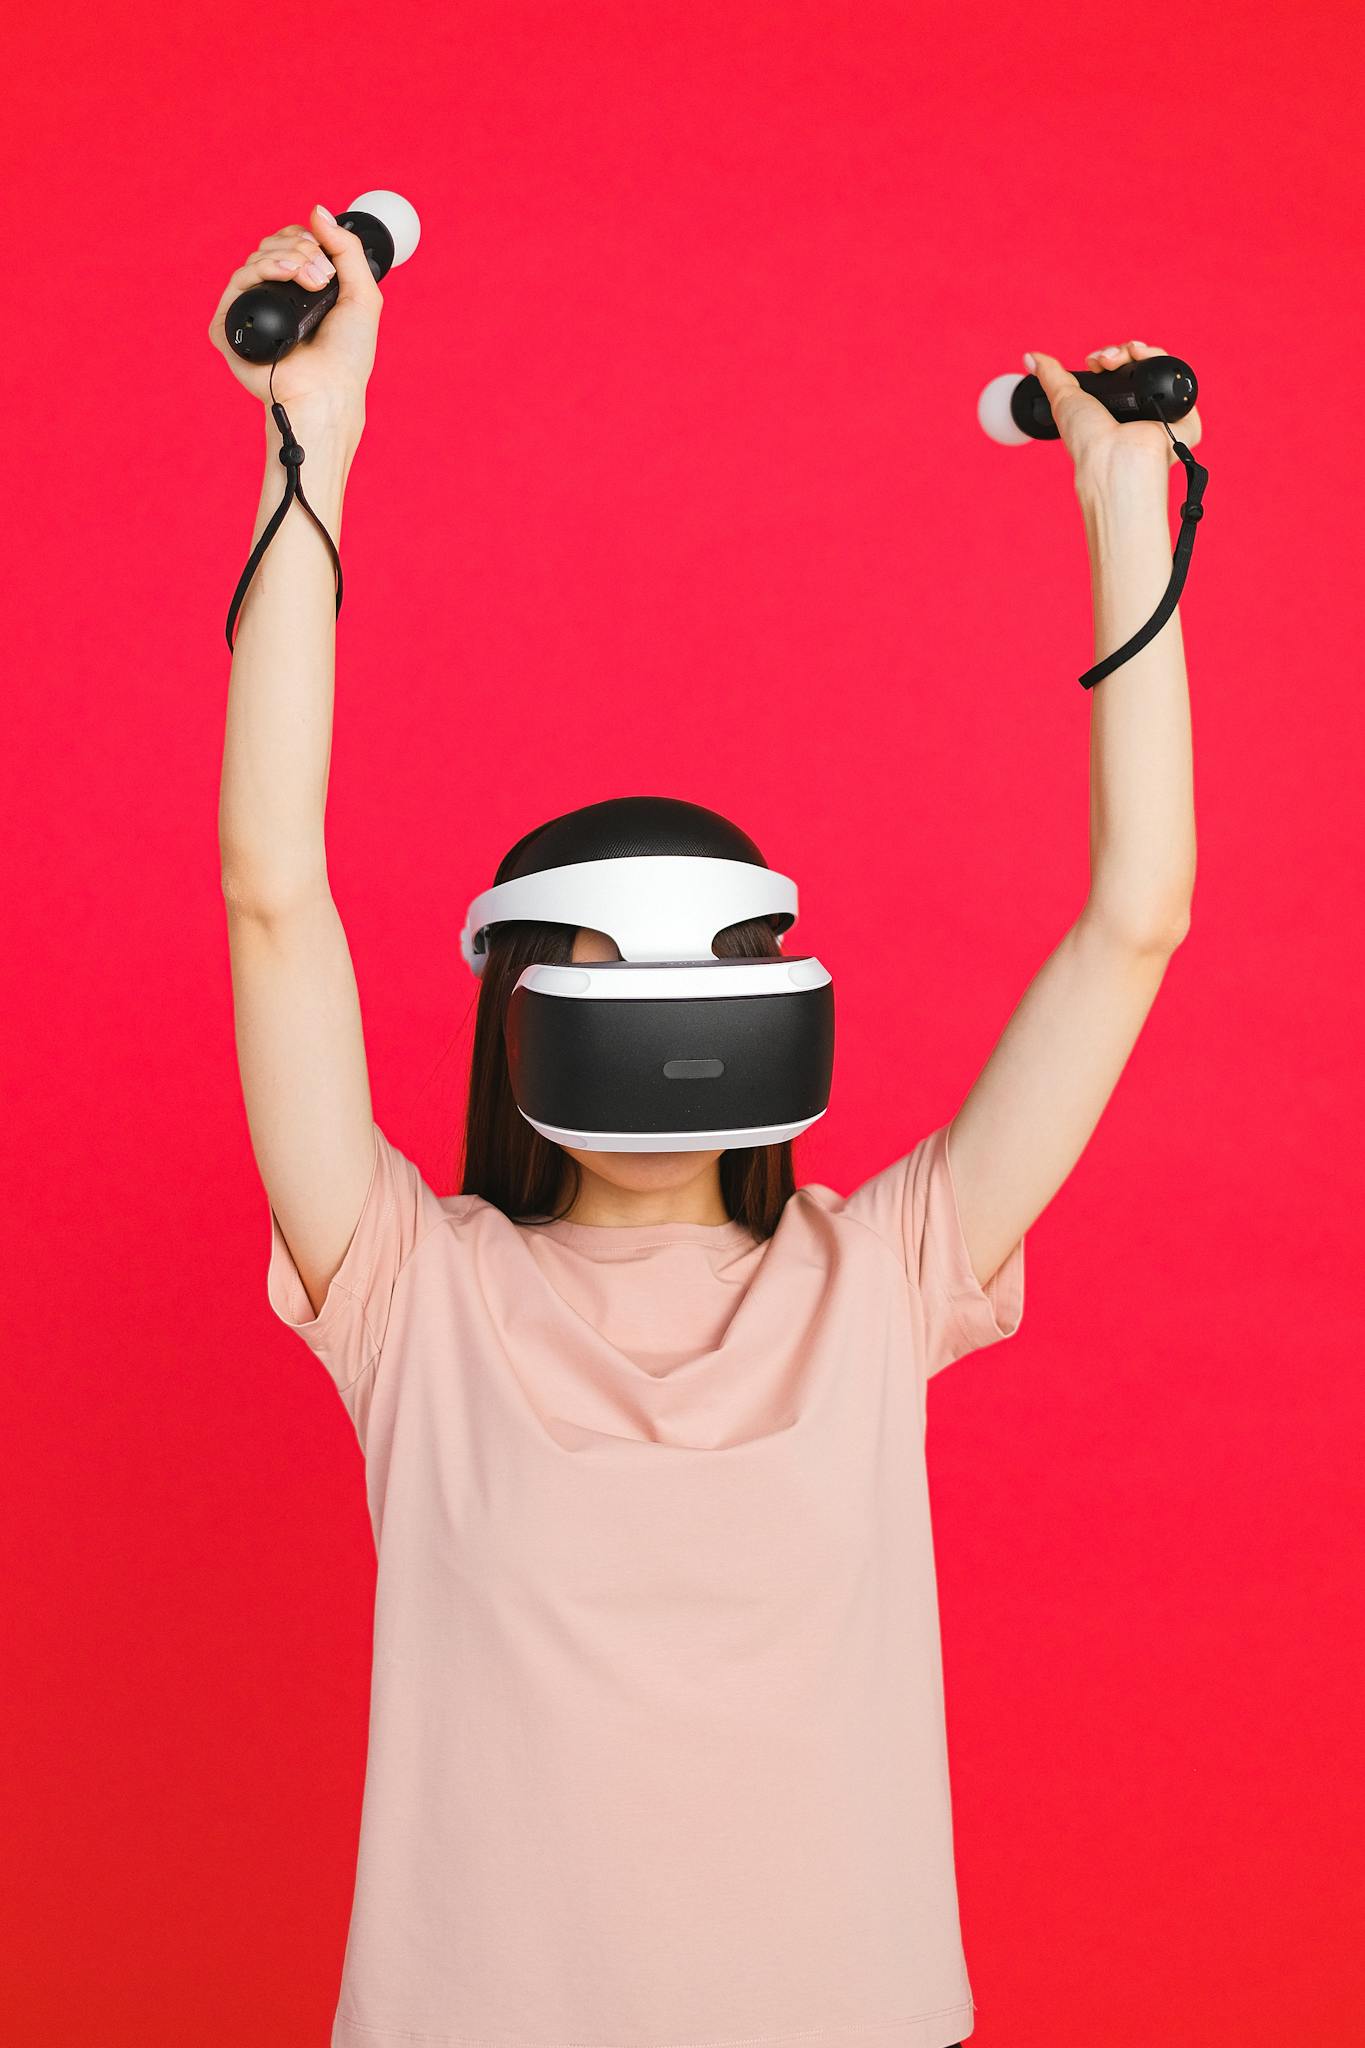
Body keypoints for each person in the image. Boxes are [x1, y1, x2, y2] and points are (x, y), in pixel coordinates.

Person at [211, 206, 1199, 2048]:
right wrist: (307, 443)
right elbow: (275, 893)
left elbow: (1137, 913)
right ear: (516, 1007)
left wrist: (1122, 508)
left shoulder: (887, 1268)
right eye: (594, 960)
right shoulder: (408, 1292)